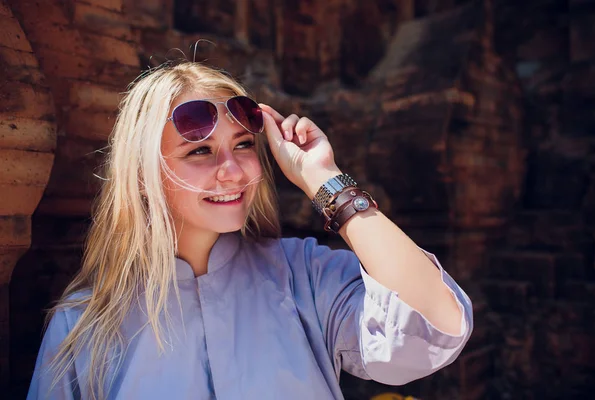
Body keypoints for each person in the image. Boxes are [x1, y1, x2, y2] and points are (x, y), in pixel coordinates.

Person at [27, 61, 473, 400]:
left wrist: (324, 180)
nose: (232, 171)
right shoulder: (84, 323)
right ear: (144, 175)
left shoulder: (305, 275)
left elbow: (437, 327)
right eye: (200, 151)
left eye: (243, 145)